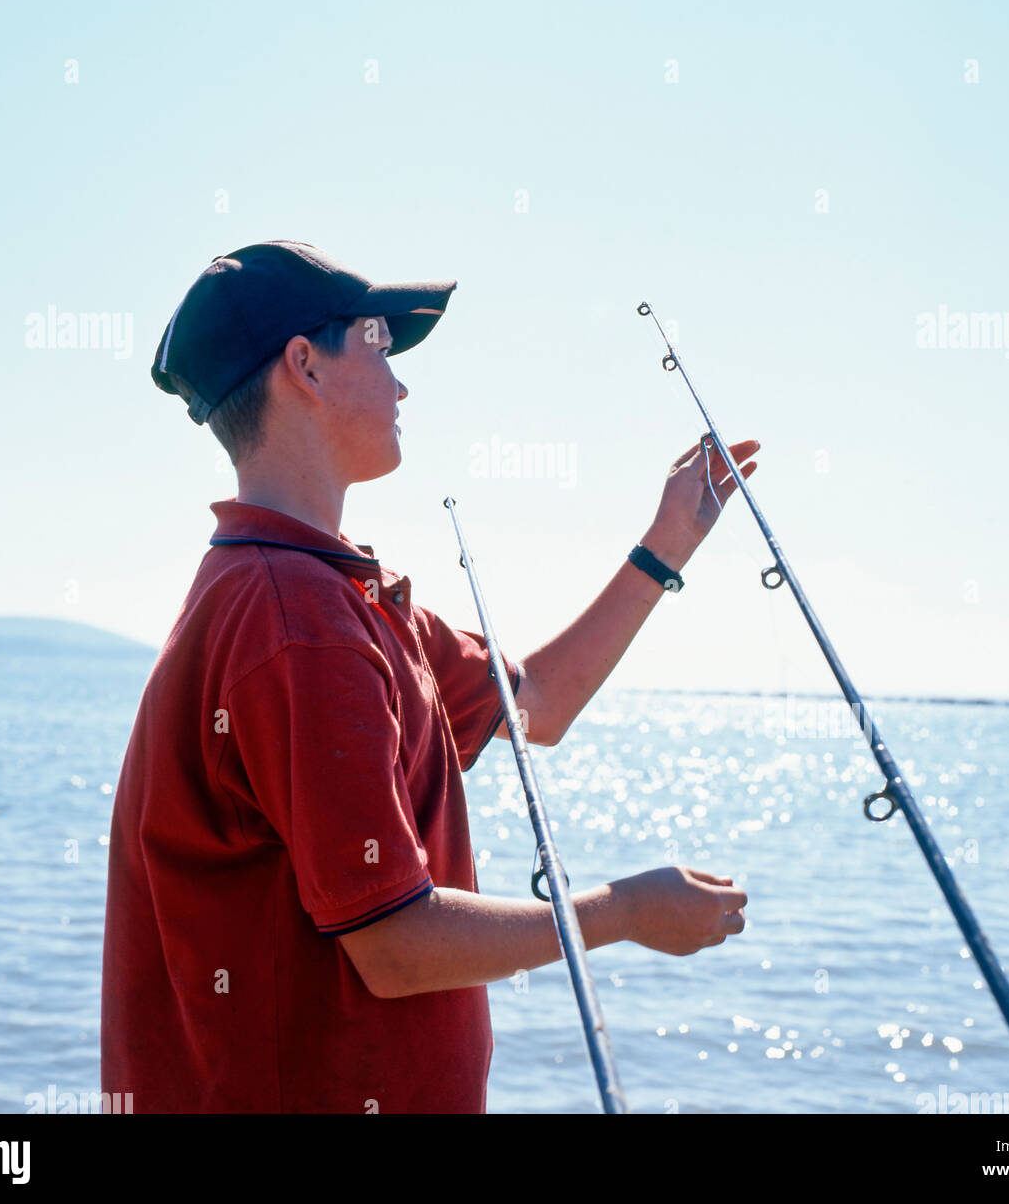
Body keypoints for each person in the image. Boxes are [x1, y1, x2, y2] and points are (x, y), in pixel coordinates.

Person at [101, 239, 757, 1113]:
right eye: (378, 340)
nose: (403, 383)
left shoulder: (335, 597)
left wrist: (666, 544)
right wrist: (623, 912)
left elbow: (537, 708)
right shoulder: (300, 624)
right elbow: (395, 943)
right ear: (305, 364)